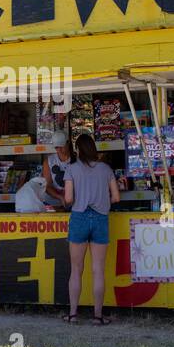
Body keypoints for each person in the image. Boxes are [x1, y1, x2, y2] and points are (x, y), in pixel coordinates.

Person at [62, 133, 120, 325]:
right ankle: (98, 316)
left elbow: (68, 199)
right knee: (98, 270)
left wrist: (67, 201)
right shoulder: (106, 169)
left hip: (79, 218)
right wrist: (102, 200)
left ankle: (73, 315)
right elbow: (116, 197)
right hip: (101, 218)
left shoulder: (71, 169)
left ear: (78, 150)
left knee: (76, 270)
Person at [42, 131, 75, 209]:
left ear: (68, 143)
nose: (59, 150)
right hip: (52, 202)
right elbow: (47, 186)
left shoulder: (77, 160)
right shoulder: (49, 161)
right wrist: (60, 197)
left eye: (61, 146)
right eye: (56, 147)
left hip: (73, 202)